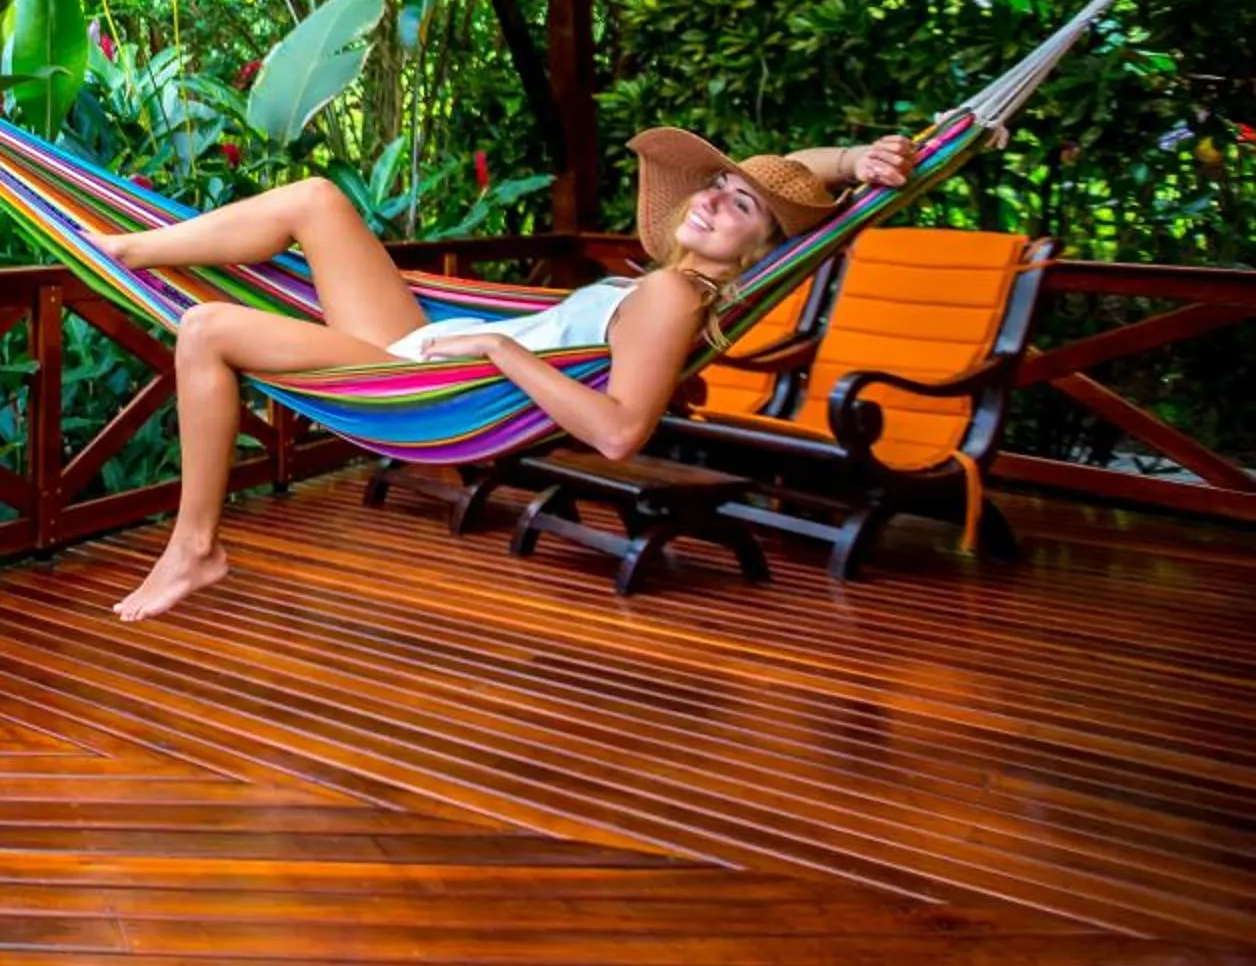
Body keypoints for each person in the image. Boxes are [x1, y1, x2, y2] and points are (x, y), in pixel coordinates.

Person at [86, 128, 918, 624]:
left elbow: (621, 430)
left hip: (430, 381)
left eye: (740, 209)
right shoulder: (669, 282)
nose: (715, 200)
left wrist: (498, 354)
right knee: (314, 200)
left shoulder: (672, 293)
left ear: (759, 253)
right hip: (425, 349)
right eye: (720, 186)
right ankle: (125, 247)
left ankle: (195, 548)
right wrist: (850, 160)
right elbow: (784, 183)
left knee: (204, 328)